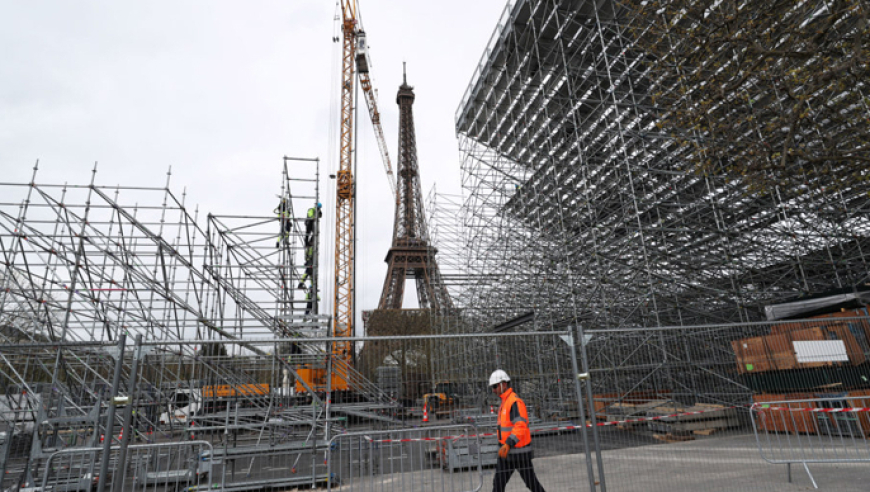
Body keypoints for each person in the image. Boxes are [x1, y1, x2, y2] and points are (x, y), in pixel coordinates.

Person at [489, 369, 546, 492]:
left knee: (531, 483)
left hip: (518, 452)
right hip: (507, 452)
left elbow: (520, 426)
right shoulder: (505, 402)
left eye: (494, 386)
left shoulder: (514, 402)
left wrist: (508, 444)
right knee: (498, 484)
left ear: (503, 384)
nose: (493, 390)